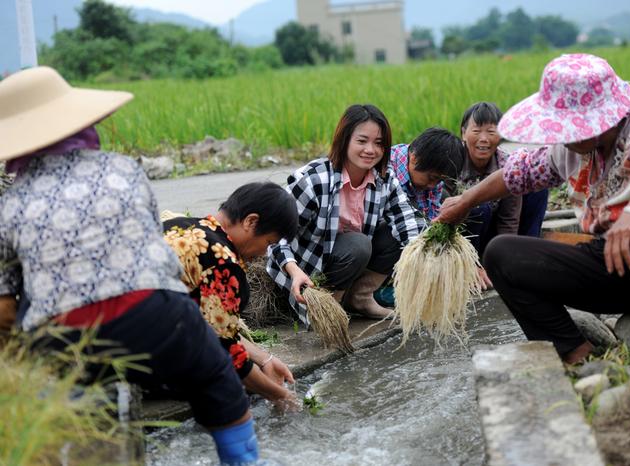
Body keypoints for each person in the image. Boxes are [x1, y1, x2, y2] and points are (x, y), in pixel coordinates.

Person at [0, 67, 259, 464]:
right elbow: (151, 258)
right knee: (216, 380)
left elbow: (5, 308)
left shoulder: (8, 205)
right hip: (152, 316)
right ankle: (243, 459)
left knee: (77, 418)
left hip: (61, 336)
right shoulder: (123, 171)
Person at [436, 54, 630, 378]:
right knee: (502, 254)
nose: (565, 134)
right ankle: (580, 357)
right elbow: (516, 174)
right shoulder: (570, 149)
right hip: (613, 264)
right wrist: (464, 201)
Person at [267, 104, 424, 324]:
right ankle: (328, 308)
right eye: (362, 141)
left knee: (400, 237)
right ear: (344, 140)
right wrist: (294, 271)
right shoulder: (314, 180)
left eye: (379, 143)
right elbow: (276, 237)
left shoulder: (385, 179)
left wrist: (429, 256)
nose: (370, 150)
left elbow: (407, 221)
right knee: (358, 244)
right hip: (307, 270)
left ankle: (360, 298)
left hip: (347, 259)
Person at [163, 182, 299, 410]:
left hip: (97, 331)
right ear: (250, 221)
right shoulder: (222, 262)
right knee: (226, 384)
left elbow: (215, 327)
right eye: (268, 243)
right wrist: (280, 395)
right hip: (129, 356)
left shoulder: (182, 226)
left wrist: (264, 359)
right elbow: (225, 353)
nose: (264, 253)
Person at [454, 101, 548, 288]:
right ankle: (471, 266)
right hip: (462, 238)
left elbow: (509, 219)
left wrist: (505, 259)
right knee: (479, 206)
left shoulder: (508, 166)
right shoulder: (451, 160)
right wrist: (469, 263)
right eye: (476, 131)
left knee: (537, 187)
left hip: (493, 234)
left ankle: (525, 256)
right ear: (463, 133)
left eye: (491, 132)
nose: (483, 139)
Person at [373, 127, 464, 306]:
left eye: (438, 180)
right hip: (372, 238)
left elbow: (429, 220)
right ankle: (368, 289)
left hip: (402, 239)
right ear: (414, 158)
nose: (433, 185)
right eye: (431, 178)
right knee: (400, 227)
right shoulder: (384, 170)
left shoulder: (432, 181)